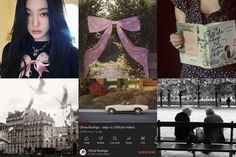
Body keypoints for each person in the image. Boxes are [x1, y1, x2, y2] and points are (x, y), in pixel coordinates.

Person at [1, 0, 78, 78]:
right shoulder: (10, 51)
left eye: (44, 14)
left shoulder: (72, 55)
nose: (35, 23)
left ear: (55, 14)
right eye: (28, 14)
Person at [170, 0, 236, 78]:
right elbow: (181, 33)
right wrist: (177, 40)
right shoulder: (183, 1)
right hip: (191, 73)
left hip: (228, 73)